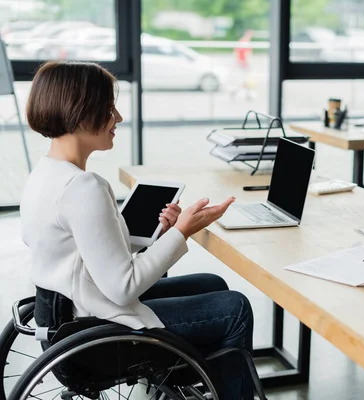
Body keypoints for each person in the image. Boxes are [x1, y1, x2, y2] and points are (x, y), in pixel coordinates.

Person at [19, 61, 254, 400]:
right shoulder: (83, 187)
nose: (118, 118)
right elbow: (123, 287)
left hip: (64, 318)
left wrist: (160, 231)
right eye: (109, 108)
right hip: (97, 333)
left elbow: (78, 249)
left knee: (212, 284)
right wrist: (181, 233)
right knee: (235, 308)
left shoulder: (45, 174)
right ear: (82, 114)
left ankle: (206, 381)